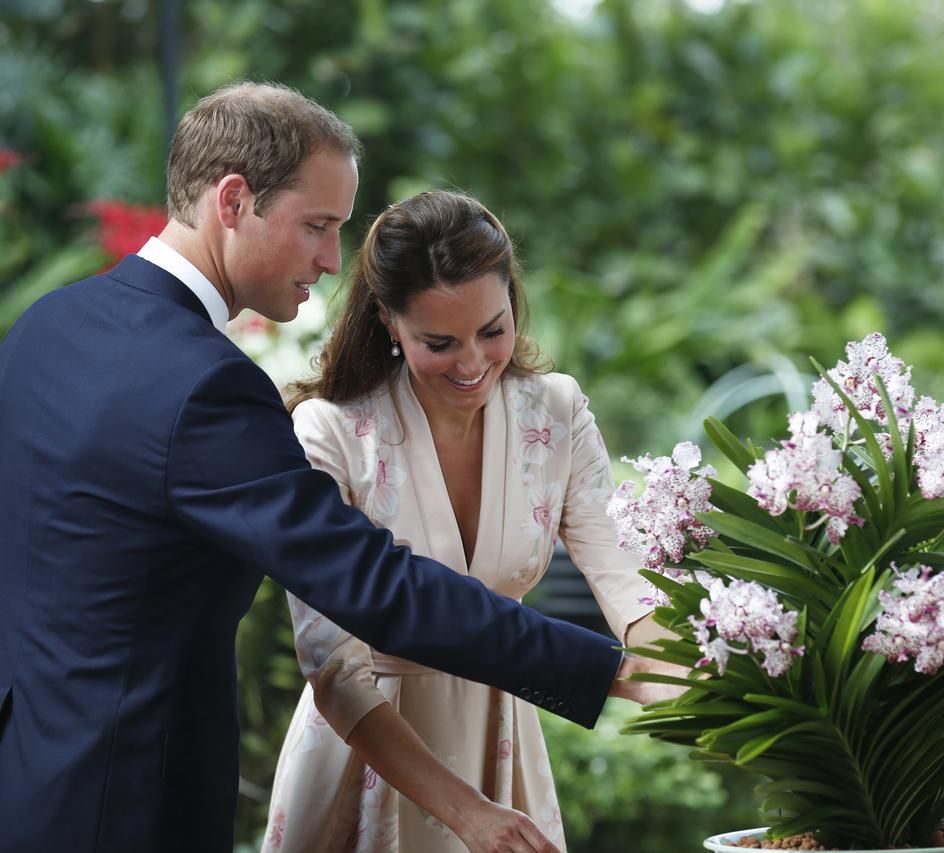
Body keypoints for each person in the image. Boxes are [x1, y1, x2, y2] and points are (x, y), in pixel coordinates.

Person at [0, 82, 674, 853]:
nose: (330, 259)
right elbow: (375, 588)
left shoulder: (45, 326)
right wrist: (605, 670)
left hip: (27, 783)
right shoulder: (205, 385)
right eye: (317, 226)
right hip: (128, 806)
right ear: (233, 201)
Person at [259, 191, 666, 853]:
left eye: (493, 330)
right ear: (389, 320)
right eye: (439, 342)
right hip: (371, 755)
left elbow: (632, 588)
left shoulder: (554, 413)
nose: (473, 363)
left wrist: (711, 695)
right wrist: (467, 813)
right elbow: (333, 665)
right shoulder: (329, 432)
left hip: (502, 747)